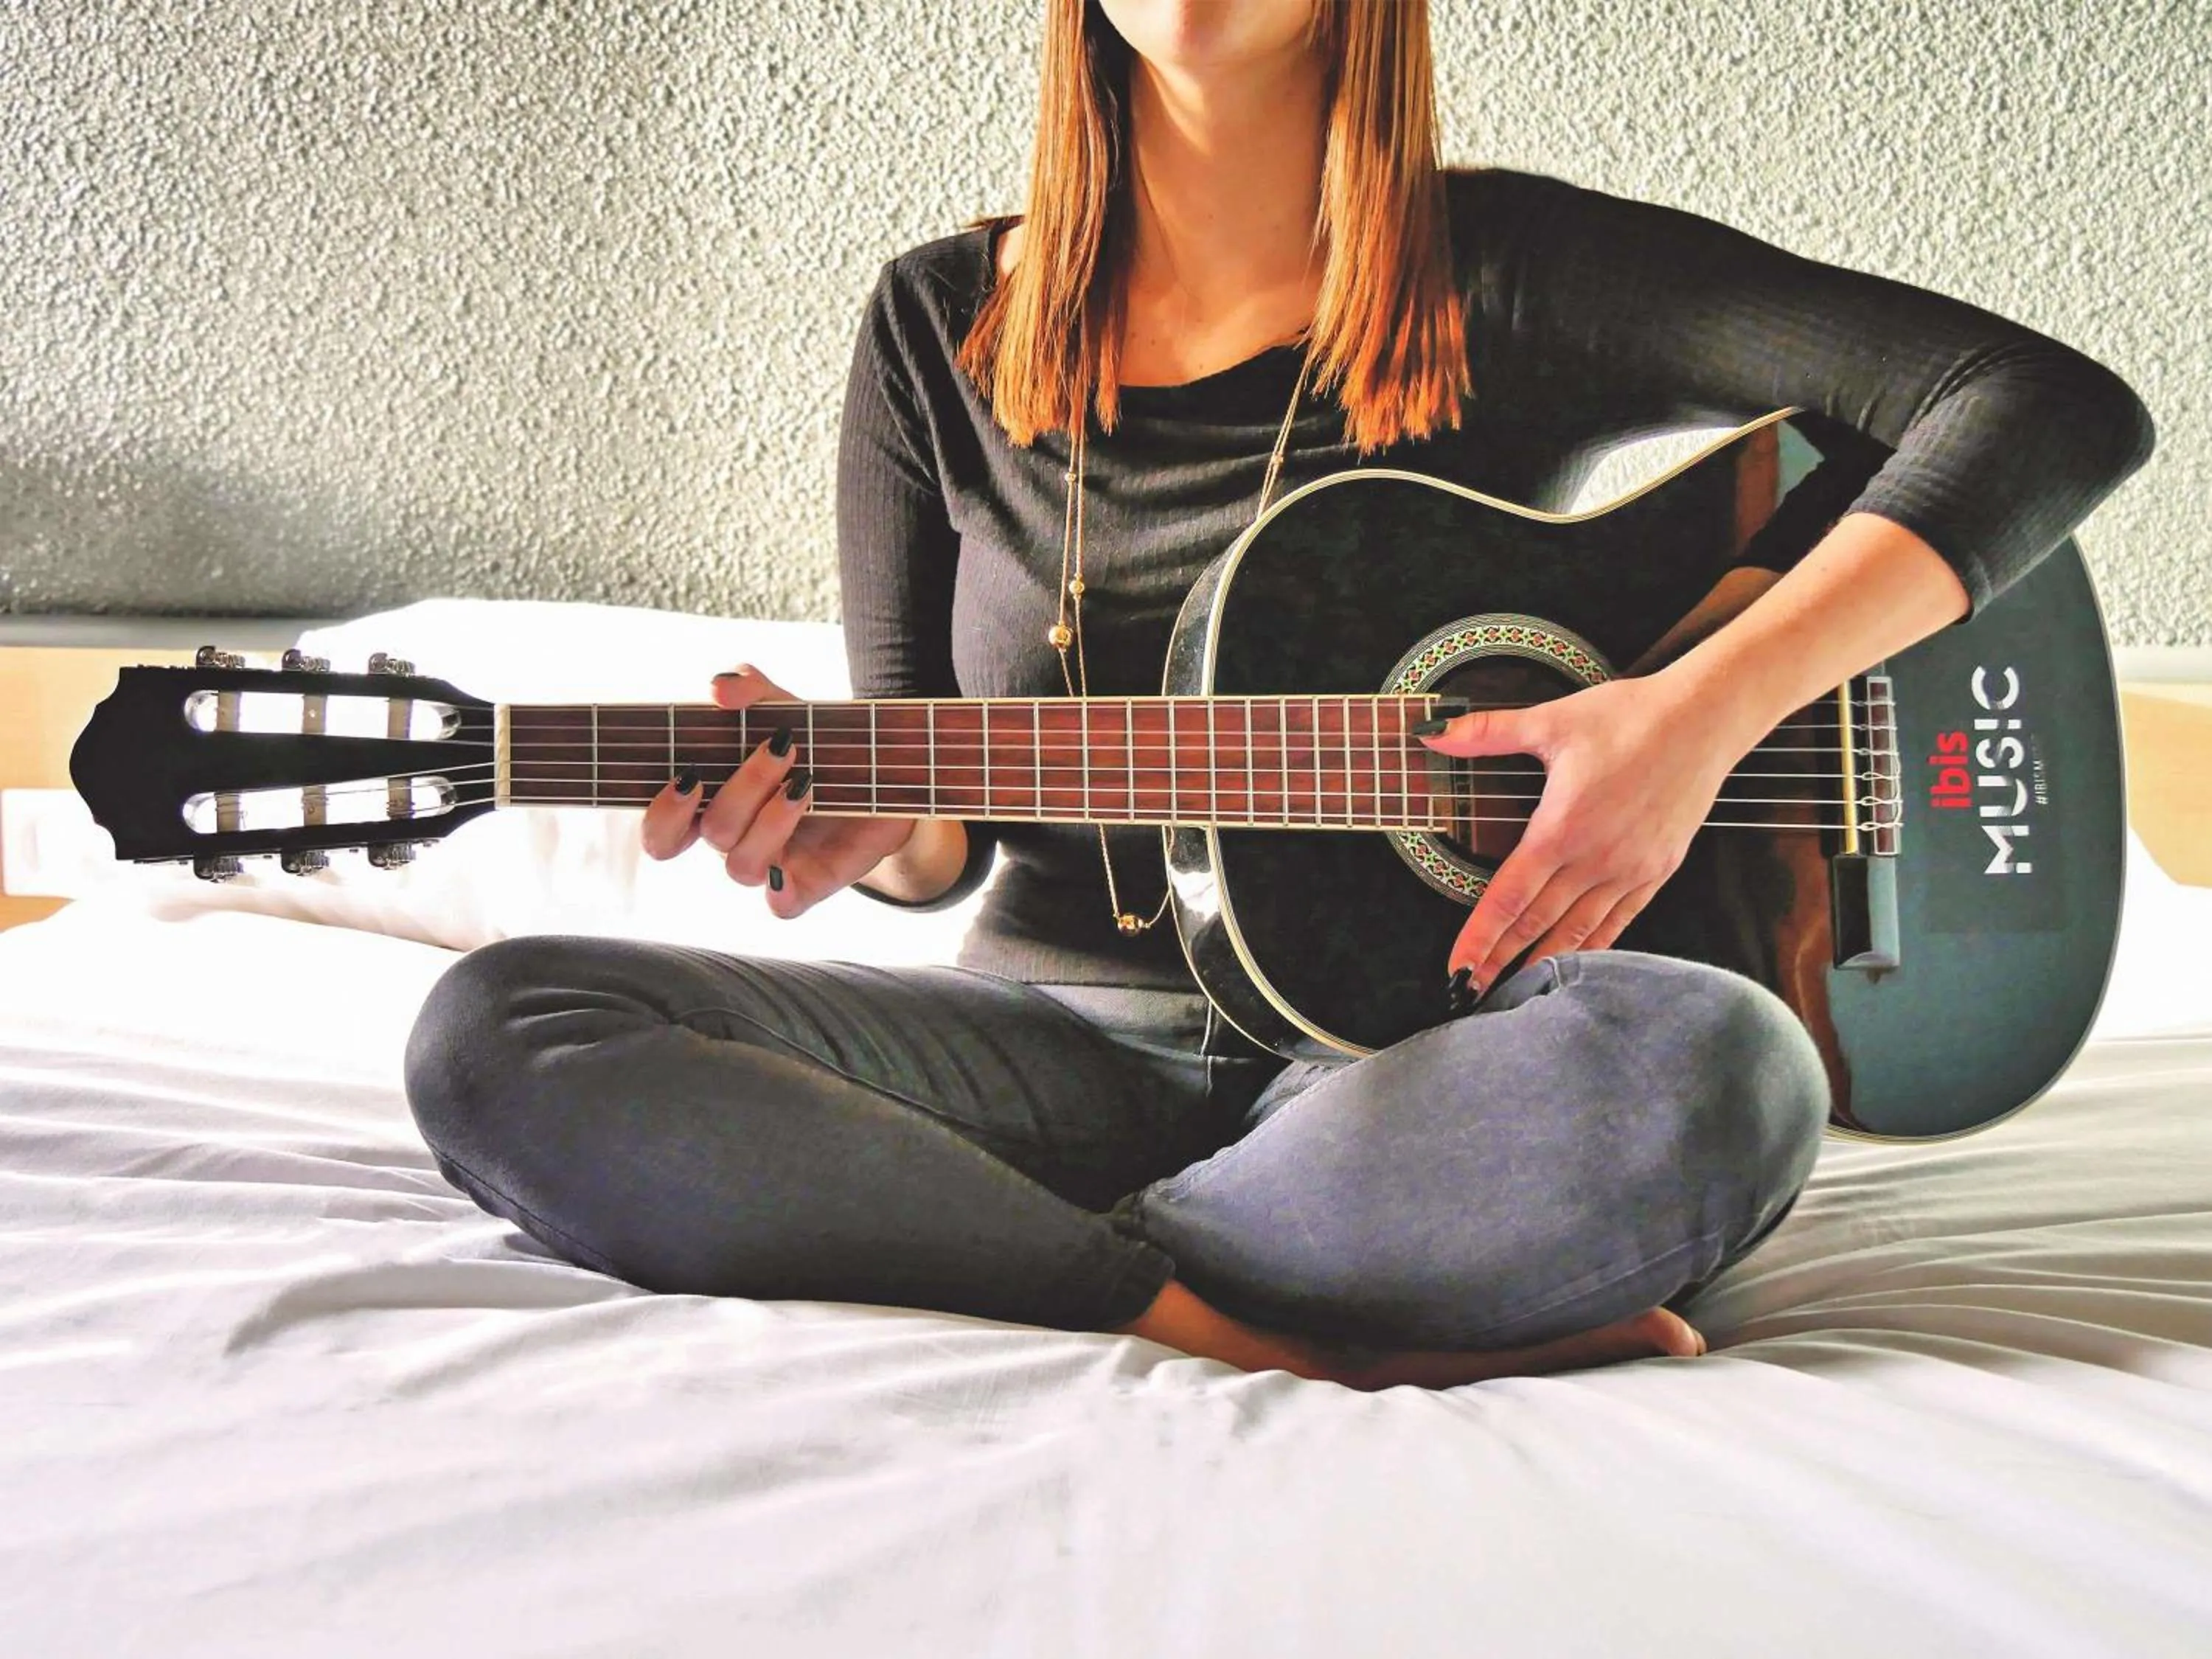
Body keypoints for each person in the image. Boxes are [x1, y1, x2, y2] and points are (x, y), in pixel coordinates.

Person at [404, 0, 2154, 1390]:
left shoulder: (1508, 275)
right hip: (1051, 1048)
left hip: (1422, 1069)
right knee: (502, 1033)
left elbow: (2038, 404)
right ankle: (1252, 1321)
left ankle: (976, 1246)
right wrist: (860, 829)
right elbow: (935, 833)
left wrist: (1690, 718)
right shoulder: (937, 327)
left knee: (1724, 1069)